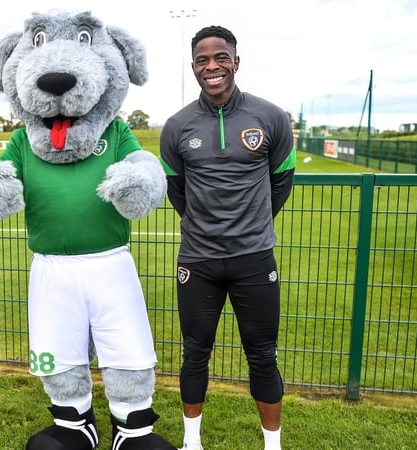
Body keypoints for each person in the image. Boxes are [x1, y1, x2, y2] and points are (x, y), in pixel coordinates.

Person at [159, 25, 297, 450]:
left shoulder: (270, 117)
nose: (212, 66)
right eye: (203, 60)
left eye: (221, 57)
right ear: (194, 66)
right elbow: (176, 189)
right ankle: (192, 442)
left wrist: (250, 223)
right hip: (198, 261)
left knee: (262, 353)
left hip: (254, 258)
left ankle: (271, 445)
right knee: (194, 351)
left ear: (236, 61)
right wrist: (206, 224)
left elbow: (281, 180)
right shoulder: (177, 125)